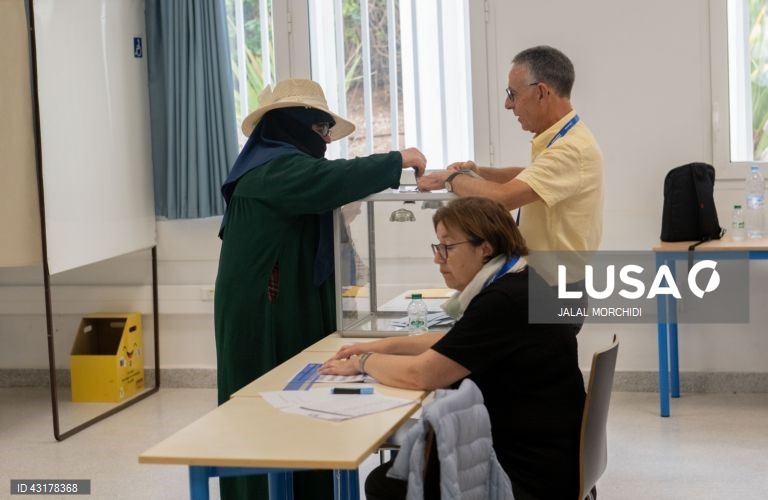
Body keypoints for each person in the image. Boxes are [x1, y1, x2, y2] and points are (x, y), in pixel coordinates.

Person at [214, 78, 426, 500]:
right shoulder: (271, 170)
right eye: (320, 130)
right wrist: (398, 159)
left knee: (306, 403)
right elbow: (333, 179)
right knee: (263, 415)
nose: (326, 141)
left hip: (290, 298)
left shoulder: (286, 166)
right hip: (263, 308)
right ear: (290, 125)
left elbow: (331, 187)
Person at [320, 197, 586, 500]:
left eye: (447, 247)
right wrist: (388, 344)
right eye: (438, 247)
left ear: (484, 248)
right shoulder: (522, 282)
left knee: (387, 483)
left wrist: (364, 362)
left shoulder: (504, 301)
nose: (438, 258)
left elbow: (421, 375)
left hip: (522, 474)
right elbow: (460, 341)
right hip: (545, 455)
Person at [417, 46, 603, 330]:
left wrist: (451, 180)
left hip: (554, 290)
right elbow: (530, 177)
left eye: (512, 94)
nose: (508, 105)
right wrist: (479, 172)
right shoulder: (563, 138)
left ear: (541, 92)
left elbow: (504, 199)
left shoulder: (570, 149)